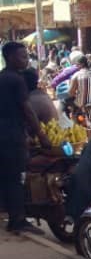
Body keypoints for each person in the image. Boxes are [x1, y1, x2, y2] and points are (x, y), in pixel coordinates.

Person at [0, 42, 52, 234]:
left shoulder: (3, 77)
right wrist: (41, 135)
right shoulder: (17, 80)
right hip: (12, 136)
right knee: (16, 178)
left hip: (4, 134)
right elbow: (28, 110)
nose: (26, 60)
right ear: (11, 57)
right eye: (23, 56)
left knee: (6, 177)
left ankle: (13, 216)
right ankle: (18, 220)